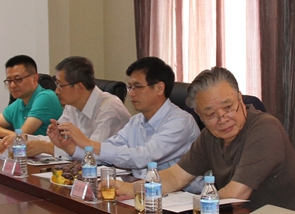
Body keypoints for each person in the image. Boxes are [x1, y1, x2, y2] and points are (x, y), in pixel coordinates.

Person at [118, 67, 295, 213]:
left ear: (240, 99)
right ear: (199, 115)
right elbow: (176, 177)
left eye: (228, 107)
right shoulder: (210, 136)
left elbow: (235, 195)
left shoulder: (265, 129)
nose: (222, 118)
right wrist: (132, 188)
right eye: (210, 114)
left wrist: (189, 211)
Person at [53, 56, 199, 179]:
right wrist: (71, 148)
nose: (131, 93)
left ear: (159, 88)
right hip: (145, 188)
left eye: (138, 87)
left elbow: (143, 157)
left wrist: (88, 143)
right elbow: (108, 151)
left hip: (182, 197)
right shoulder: (136, 121)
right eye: (130, 87)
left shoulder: (180, 122)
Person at [24, 56, 129, 157]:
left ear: (79, 87)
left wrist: (47, 148)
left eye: (60, 85)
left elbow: (95, 154)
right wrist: (25, 138)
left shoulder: (109, 109)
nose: (56, 91)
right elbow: (59, 141)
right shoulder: (72, 105)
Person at [0, 55, 63, 145]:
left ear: (34, 79)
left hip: (49, 153)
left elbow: (22, 135)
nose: (12, 85)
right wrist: (13, 135)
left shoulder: (46, 97)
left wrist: (16, 136)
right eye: (9, 81)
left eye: (18, 79)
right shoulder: (20, 102)